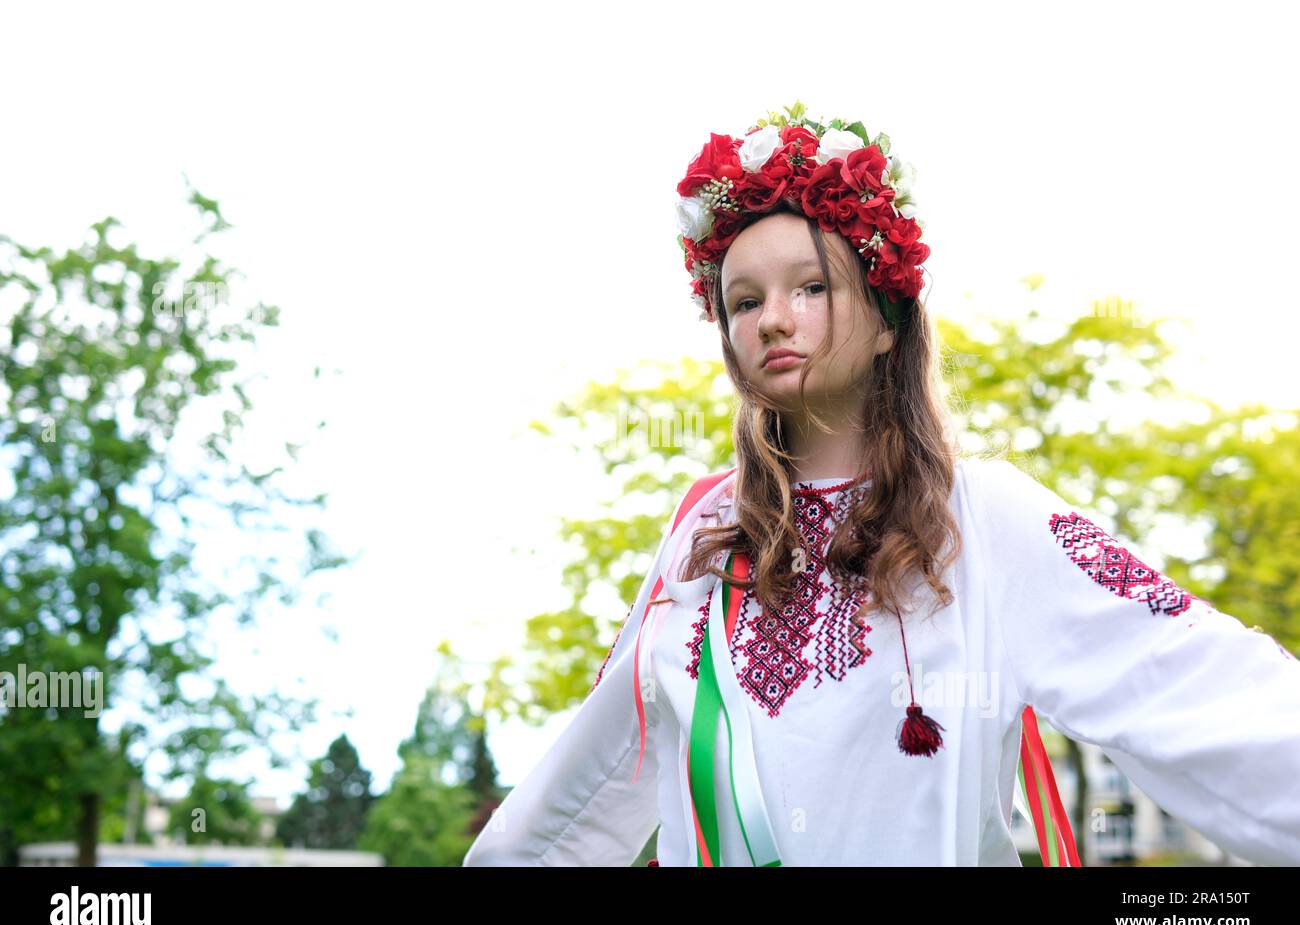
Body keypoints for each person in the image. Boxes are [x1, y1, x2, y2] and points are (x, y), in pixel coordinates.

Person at [463, 103, 1300, 867]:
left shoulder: (985, 518)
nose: (774, 319)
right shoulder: (703, 536)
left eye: (811, 287)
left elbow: (1194, 688)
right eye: (743, 301)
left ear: (887, 323)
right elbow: (594, 779)